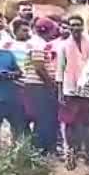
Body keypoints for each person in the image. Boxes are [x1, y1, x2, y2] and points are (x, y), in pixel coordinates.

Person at [57, 15, 89, 170]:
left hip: (87, 89)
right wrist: (60, 92)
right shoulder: (63, 46)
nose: (75, 28)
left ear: (83, 26)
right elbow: (59, 70)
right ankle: (71, 153)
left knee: (88, 123)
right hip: (70, 89)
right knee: (70, 123)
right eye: (72, 25)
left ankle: (88, 154)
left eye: (78, 25)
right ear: (68, 27)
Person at [21, 18, 61, 156]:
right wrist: (51, 84)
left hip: (37, 86)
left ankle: (40, 152)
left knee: (44, 120)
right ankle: (38, 153)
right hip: (38, 86)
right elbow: (39, 67)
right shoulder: (38, 44)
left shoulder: (39, 43)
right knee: (43, 120)